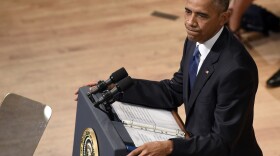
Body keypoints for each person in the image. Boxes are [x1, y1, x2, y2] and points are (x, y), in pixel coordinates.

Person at [76, 0, 263, 155]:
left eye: (202, 15)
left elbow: (222, 141)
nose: (190, 22)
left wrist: (170, 146)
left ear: (224, 18)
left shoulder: (236, 70)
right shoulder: (196, 40)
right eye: (188, 11)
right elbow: (174, 91)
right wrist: (118, 88)